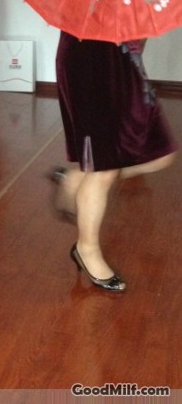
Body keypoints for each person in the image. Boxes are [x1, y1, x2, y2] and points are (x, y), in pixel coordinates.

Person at [50, 34, 177, 292]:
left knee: (163, 155)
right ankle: (86, 249)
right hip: (90, 63)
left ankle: (77, 177)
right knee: (104, 168)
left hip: (126, 64)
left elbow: (140, 25)